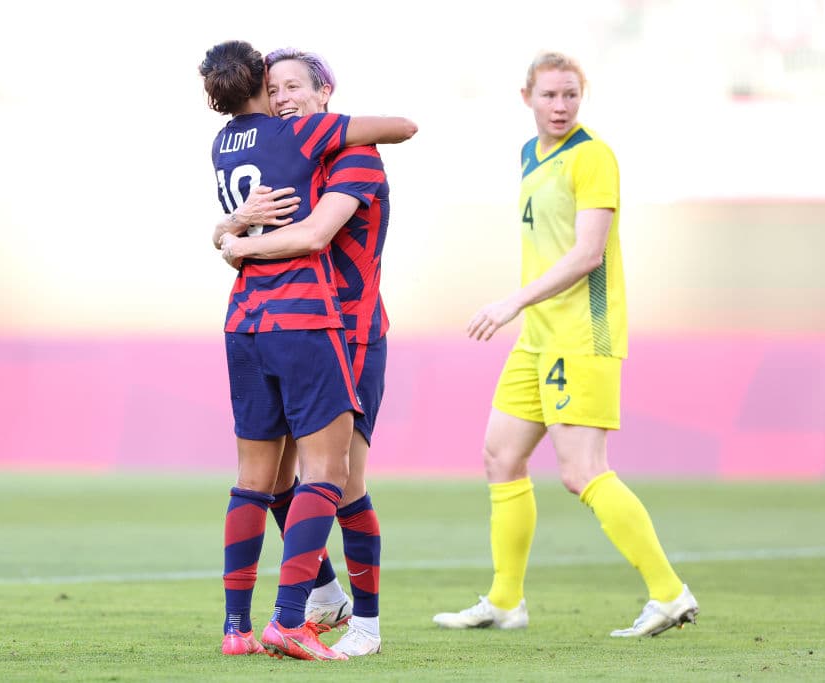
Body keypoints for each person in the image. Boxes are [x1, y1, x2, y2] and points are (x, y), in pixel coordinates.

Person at [431, 51, 699, 638]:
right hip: (539, 337)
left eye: (571, 95)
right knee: (500, 456)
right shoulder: (531, 155)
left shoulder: (592, 155)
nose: (560, 106)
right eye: (550, 95)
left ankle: (669, 593)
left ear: (582, 97)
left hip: (583, 334)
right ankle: (505, 602)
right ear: (525, 96)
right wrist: (527, 313)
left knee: (582, 472)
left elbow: (588, 255)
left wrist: (512, 302)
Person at [199, 39, 416, 661]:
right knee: (276, 482)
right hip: (299, 327)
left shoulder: (354, 156)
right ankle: (320, 592)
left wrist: (236, 242)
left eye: (295, 86)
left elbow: (316, 233)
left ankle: (366, 622)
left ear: (325, 94)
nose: (283, 96)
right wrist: (229, 225)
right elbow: (250, 220)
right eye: (274, 88)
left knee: (343, 484)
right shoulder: (290, 153)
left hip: (351, 333)